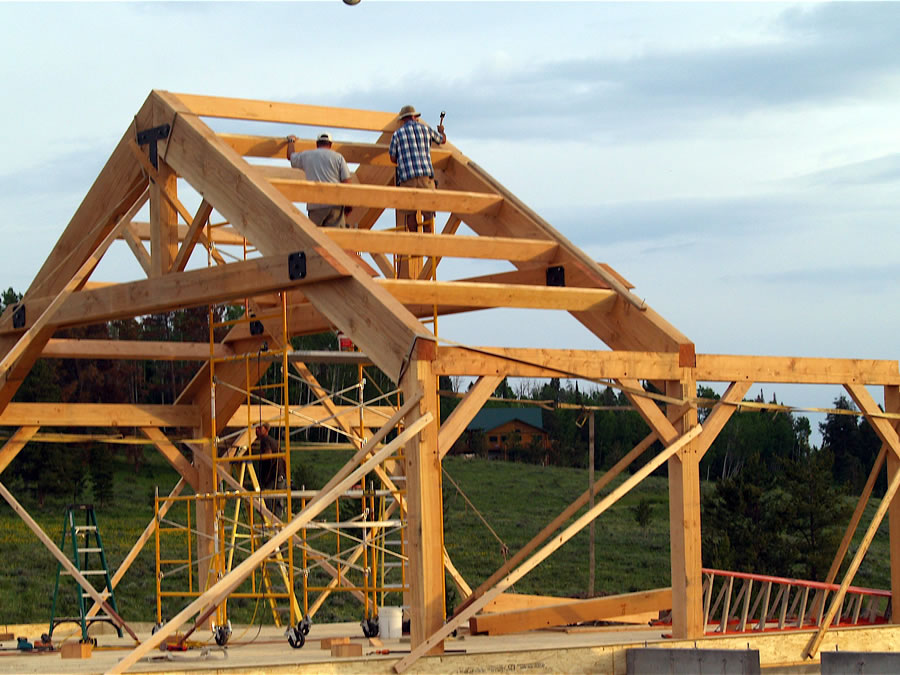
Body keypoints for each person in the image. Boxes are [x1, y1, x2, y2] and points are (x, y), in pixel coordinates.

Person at [388, 105, 446, 233]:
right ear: (415, 117)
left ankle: (414, 244)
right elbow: (442, 140)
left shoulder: (397, 134)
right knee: (429, 213)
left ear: (403, 120)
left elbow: (392, 158)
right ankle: (428, 243)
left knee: (410, 213)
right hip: (426, 177)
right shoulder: (425, 129)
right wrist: (441, 131)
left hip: (407, 178)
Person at [285, 132, 352, 228]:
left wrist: (291, 141)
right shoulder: (338, 157)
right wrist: (348, 204)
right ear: (330, 144)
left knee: (316, 238)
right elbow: (347, 182)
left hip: (315, 205)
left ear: (317, 144)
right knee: (335, 239)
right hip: (335, 204)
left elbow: (290, 156)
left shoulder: (307, 156)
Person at [254, 423, 287, 518]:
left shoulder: (265, 441)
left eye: (259, 428)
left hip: (272, 478)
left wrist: (258, 457)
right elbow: (284, 458)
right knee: (277, 505)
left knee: (264, 504)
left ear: (266, 429)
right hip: (280, 477)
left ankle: (271, 526)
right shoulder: (274, 441)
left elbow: (268, 454)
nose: (256, 430)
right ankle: (277, 527)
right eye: (255, 428)